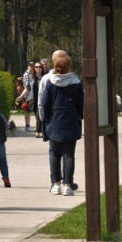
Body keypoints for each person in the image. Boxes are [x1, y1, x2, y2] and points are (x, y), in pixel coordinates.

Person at [40, 50, 83, 197]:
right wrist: (80, 116)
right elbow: (81, 105)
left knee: (54, 154)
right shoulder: (76, 83)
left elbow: (45, 105)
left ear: (56, 66)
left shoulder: (50, 83)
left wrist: (45, 121)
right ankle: (67, 185)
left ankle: (56, 184)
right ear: (69, 66)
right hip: (71, 121)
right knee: (69, 155)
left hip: (54, 123)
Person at [17, 62, 38, 132]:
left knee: (28, 111)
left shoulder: (29, 74)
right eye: (31, 66)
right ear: (28, 66)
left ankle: (28, 126)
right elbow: (27, 86)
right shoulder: (28, 74)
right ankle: (27, 126)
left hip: (28, 95)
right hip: (28, 95)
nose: (33, 67)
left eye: (33, 66)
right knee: (27, 111)